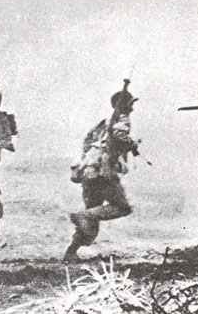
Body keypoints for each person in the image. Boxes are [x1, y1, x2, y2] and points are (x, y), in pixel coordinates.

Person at [64, 80, 140, 262]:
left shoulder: (103, 123)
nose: (133, 109)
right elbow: (119, 135)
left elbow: (87, 140)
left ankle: (71, 252)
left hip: (89, 172)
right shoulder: (122, 119)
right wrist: (132, 145)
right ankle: (81, 217)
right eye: (131, 105)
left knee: (91, 218)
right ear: (125, 106)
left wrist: (89, 161)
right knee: (122, 207)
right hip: (104, 173)